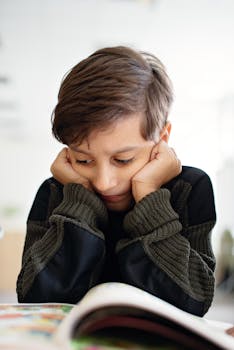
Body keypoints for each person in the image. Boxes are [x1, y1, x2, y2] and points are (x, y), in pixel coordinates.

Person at [17, 46, 216, 316]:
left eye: (123, 160)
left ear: (162, 138)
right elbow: (34, 295)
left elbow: (195, 299)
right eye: (83, 160)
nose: (103, 182)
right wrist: (80, 198)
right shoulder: (55, 192)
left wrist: (148, 195)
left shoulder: (190, 188)